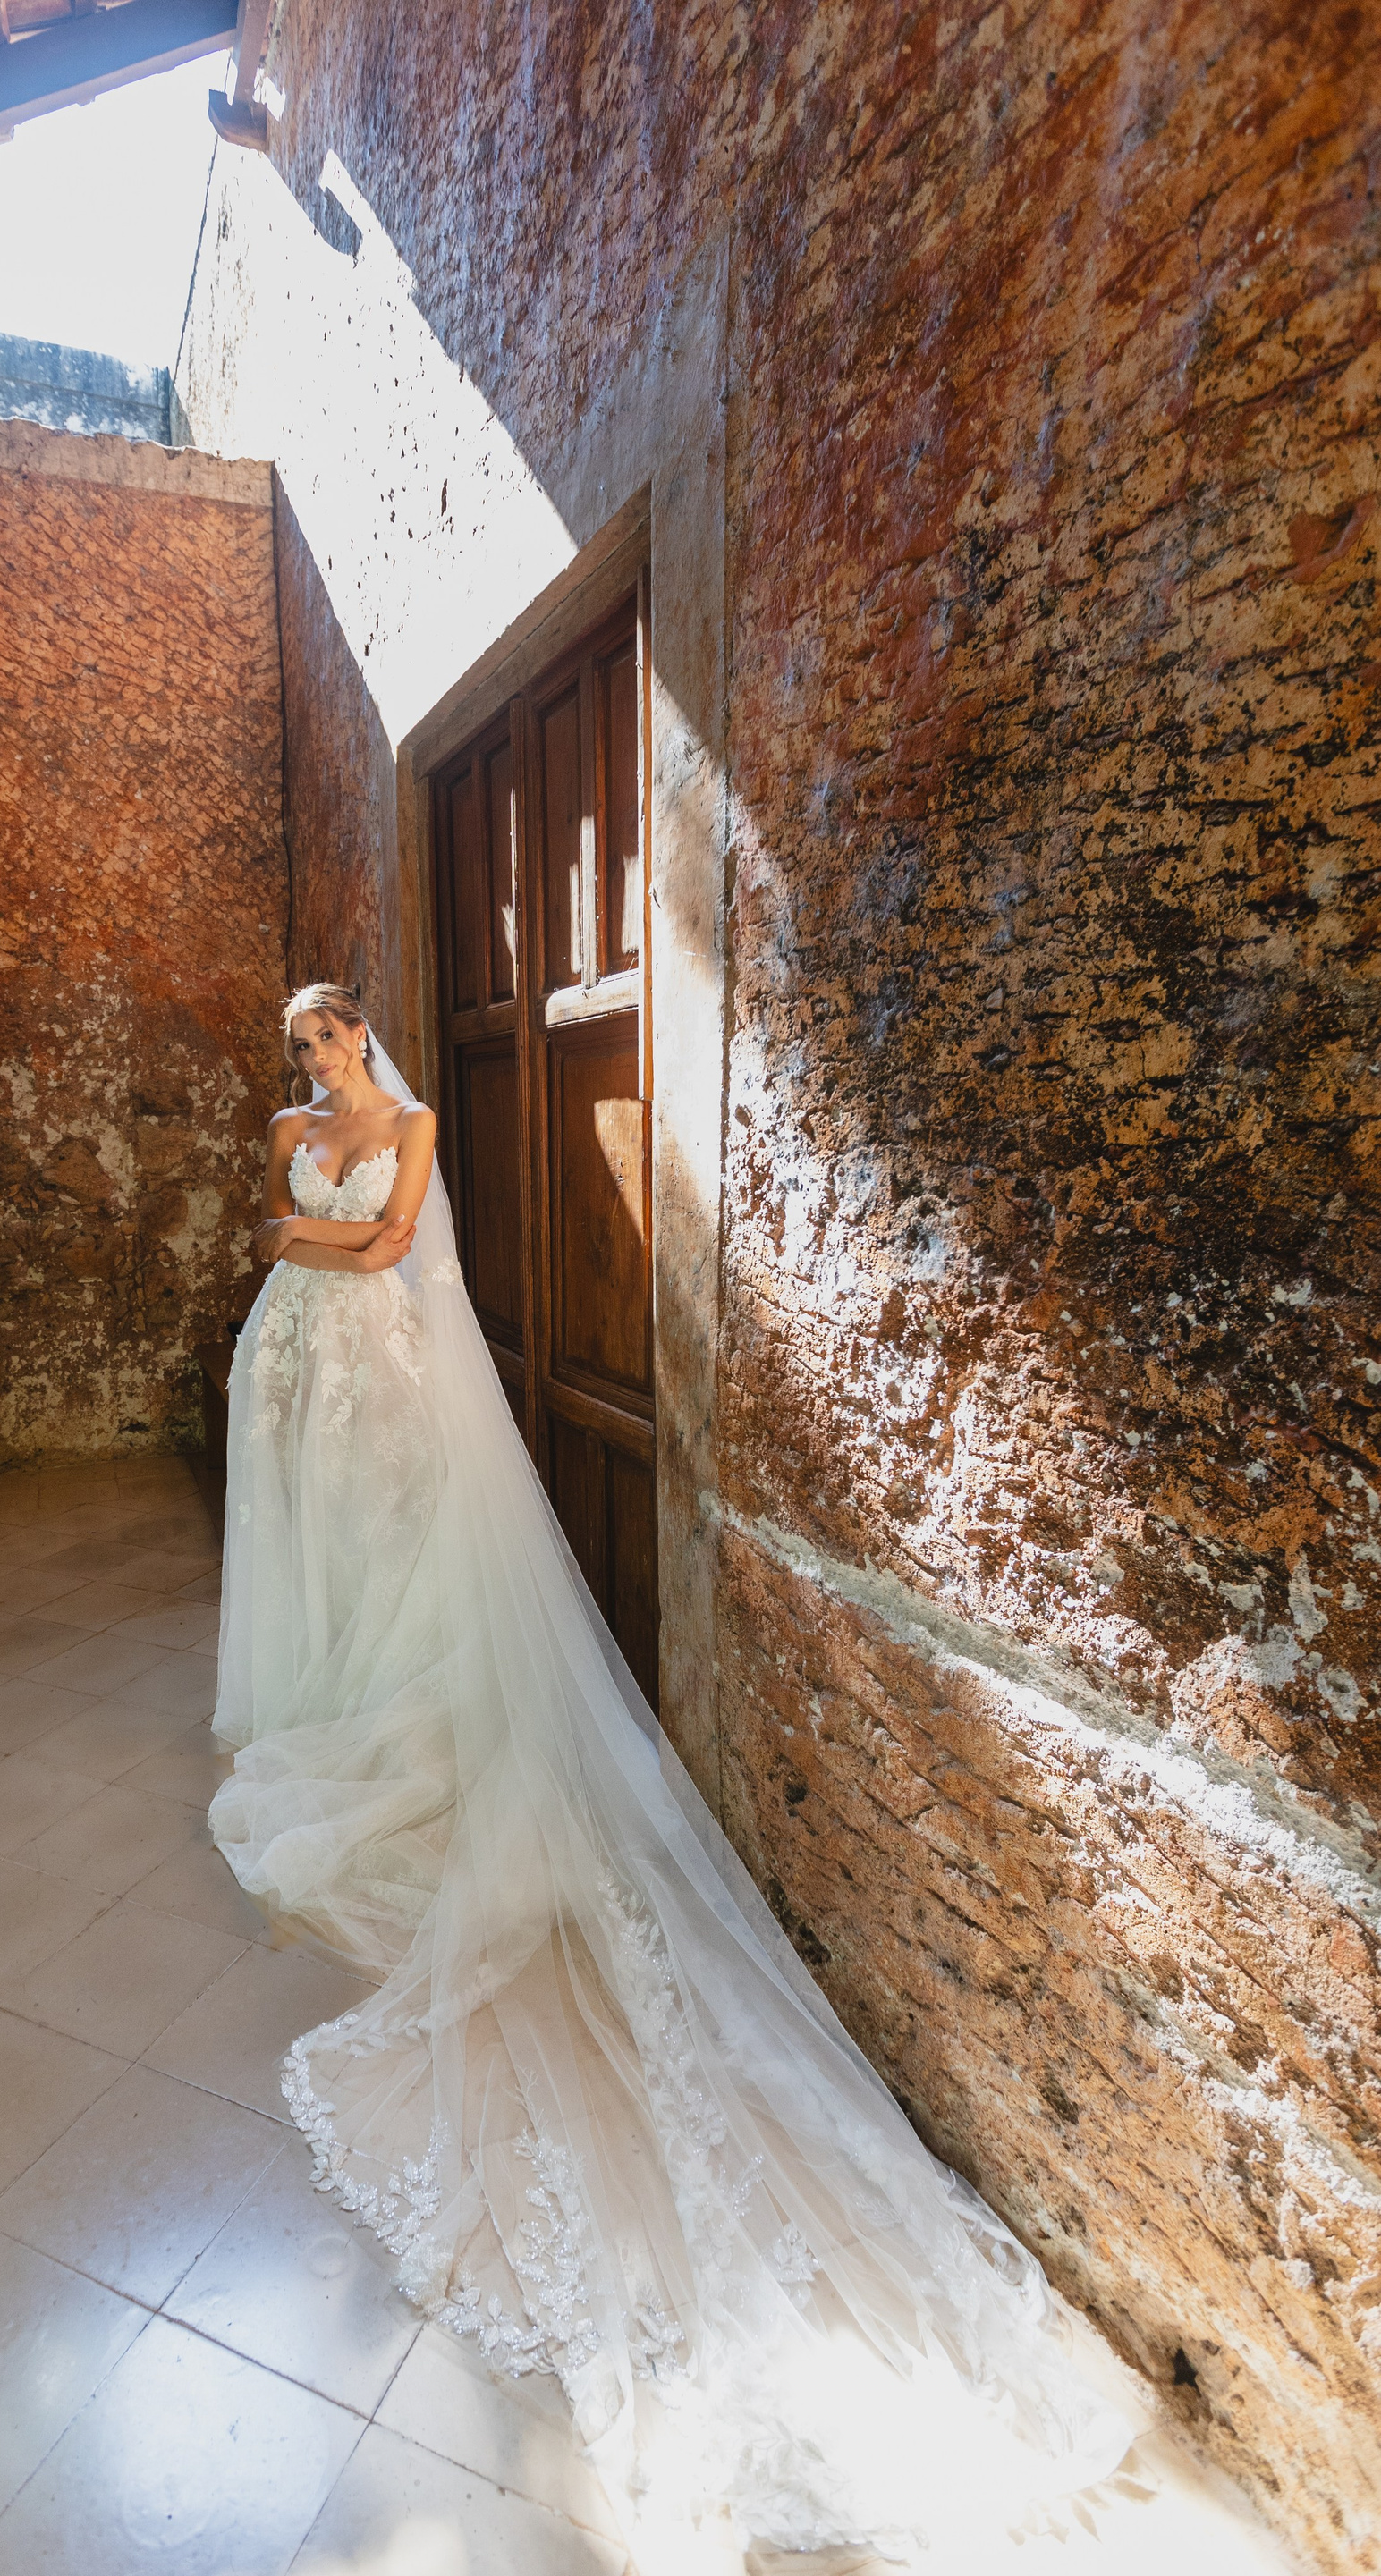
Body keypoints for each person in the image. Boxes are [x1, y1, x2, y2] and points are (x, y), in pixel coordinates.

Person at [210, 982, 1134, 2568]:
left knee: (394, 1552)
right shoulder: (291, 1130)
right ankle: (334, 1699)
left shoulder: (410, 1125)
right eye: (298, 1045)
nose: (313, 1061)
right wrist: (296, 1249)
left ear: (361, 1032)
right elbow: (285, 1241)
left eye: (327, 1036)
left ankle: (395, 1720)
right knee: (326, 1550)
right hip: (298, 1358)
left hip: (380, 1358)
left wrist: (298, 1241)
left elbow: (383, 1246)